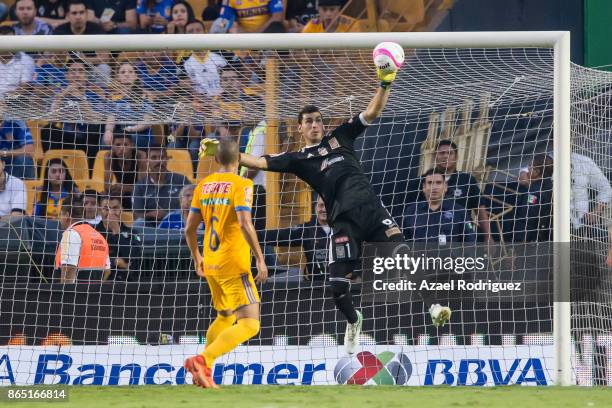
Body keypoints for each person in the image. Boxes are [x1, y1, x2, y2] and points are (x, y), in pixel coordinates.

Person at [231, 59, 452, 354]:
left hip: (373, 211)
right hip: (343, 222)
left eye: (318, 120)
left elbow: (373, 111)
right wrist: (226, 152)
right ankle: (353, 321)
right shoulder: (298, 159)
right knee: (337, 285)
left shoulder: (341, 137)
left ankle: (434, 307)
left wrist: (385, 82)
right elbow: (258, 162)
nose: (314, 125)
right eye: (308, 122)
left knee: (403, 256)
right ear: (300, 129)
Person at [183, 138, 267, 389]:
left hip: (210, 263)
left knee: (225, 315)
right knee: (250, 323)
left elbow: (189, 229)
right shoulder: (243, 184)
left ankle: (203, 370)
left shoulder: (203, 185)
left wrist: (197, 256)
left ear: (216, 160)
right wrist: (260, 259)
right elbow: (244, 223)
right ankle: (204, 359)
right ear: (239, 160)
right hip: (234, 264)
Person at [431, 140, 494, 243]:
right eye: (442, 153)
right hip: (432, 235)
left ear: (456, 157)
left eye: (450, 153)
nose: (445, 156)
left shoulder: (467, 180)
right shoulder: (426, 180)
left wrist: (488, 236)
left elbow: (480, 209)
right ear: (435, 156)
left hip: (462, 236)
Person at [260, 196, 331, 281]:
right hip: (314, 285)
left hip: (339, 283)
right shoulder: (307, 229)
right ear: (316, 207)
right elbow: (277, 236)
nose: (324, 209)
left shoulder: (343, 228)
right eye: (321, 205)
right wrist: (251, 235)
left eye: (327, 206)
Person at [46, 60, 104, 160]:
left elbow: (96, 120)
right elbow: (52, 119)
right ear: (67, 75)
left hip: (86, 139)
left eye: (81, 71)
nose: (77, 75)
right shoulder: (60, 96)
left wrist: (79, 97)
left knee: (95, 129)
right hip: (66, 138)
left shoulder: (94, 96)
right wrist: (62, 96)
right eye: (73, 71)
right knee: (47, 130)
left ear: (86, 76)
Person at [402, 169, 475, 244]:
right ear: (424, 187)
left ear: (445, 187)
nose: (434, 187)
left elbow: (470, 243)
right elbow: (404, 241)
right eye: (430, 183)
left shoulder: (459, 212)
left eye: (438, 183)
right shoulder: (412, 211)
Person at [55, 194, 110, 283]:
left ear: (67, 215)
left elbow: (68, 269)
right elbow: (107, 270)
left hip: (76, 293)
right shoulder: (98, 235)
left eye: (61, 214)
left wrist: (64, 294)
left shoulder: (71, 234)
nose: (59, 218)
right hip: (96, 293)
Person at [132, 146, 190, 226]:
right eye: (154, 158)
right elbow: (137, 216)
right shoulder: (140, 186)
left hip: (178, 223)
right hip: (153, 227)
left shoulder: (181, 180)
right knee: (139, 223)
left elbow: (194, 204)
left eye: (162, 157)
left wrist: (168, 215)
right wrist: (151, 214)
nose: (159, 161)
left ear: (166, 159)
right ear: (147, 161)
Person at [103, 62, 154, 150]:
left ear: (136, 76)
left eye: (130, 72)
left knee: (126, 141)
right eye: (123, 72)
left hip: (140, 135)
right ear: (118, 77)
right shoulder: (114, 98)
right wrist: (108, 131)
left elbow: (147, 122)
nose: (126, 74)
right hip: (121, 135)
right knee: (105, 140)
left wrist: (129, 129)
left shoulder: (146, 95)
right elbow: (111, 118)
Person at [96, 191, 143, 280]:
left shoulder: (134, 233)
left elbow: (135, 256)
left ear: (121, 209)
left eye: (115, 208)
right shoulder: (93, 233)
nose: (111, 213)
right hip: (100, 282)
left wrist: (117, 232)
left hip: (128, 282)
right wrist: (115, 262)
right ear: (99, 210)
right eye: (106, 209)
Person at [102, 133, 147, 210]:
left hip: (137, 194)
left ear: (132, 145)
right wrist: (114, 189)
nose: (122, 148)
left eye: (125, 145)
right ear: (112, 146)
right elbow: (106, 186)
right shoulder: (108, 157)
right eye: (118, 145)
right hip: (120, 192)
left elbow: (143, 189)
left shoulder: (140, 156)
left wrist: (125, 188)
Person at [515, 154, 553, 242]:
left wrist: (520, 240)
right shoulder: (548, 186)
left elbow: (527, 216)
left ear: (537, 171)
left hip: (527, 238)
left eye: (530, 166)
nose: (528, 169)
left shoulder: (534, 193)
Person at [0, 26, 35, 99]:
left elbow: (24, 86)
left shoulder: (26, 60)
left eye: (10, 40)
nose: (6, 44)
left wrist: (5, 100)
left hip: (14, 102)